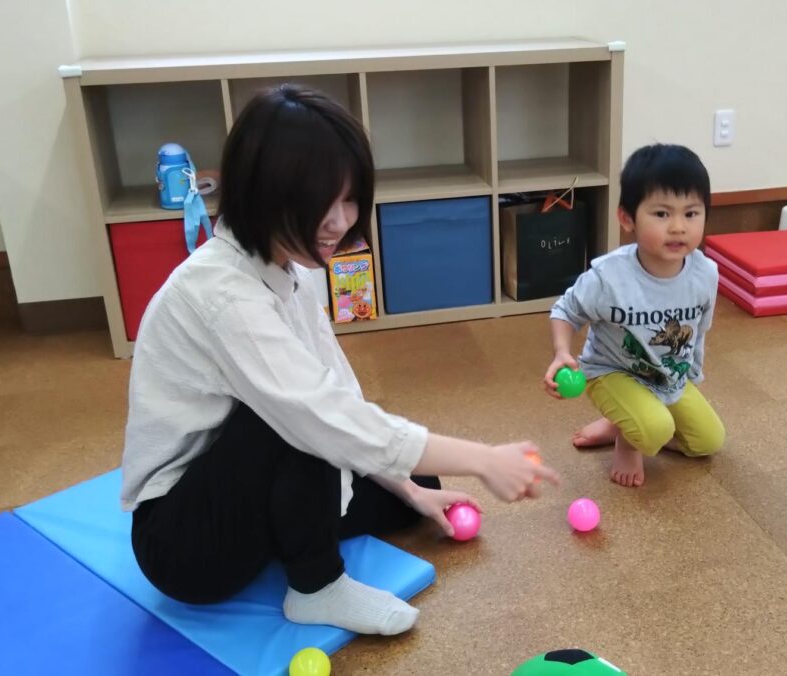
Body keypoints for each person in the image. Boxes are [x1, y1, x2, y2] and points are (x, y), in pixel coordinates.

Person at [121, 85, 557, 637]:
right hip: (184, 543)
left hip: (245, 484)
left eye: (349, 200)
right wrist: (485, 459)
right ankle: (316, 588)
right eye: (319, 203)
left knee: (413, 481)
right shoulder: (222, 295)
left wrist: (409, 489)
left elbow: (340, 389)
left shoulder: (291, 266)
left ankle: (302, 529)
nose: (339, 221)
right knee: (296, 419)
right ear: (262, 192)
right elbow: (320, 413)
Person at [543, 144, 726, 488]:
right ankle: (627, 440)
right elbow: (565, 310)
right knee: (655, 429)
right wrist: (562, 352)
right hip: (611, 372)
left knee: (708, 442)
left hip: (664, 377)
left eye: (691, 213)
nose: (678, 227)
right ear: (627, 219)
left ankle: (622, 422)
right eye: (662, 214)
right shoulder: (610, 277)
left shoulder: (705, 274)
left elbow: (699, 330)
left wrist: (692, 373)